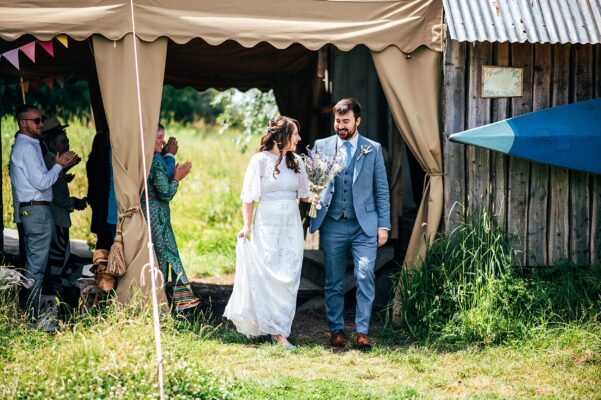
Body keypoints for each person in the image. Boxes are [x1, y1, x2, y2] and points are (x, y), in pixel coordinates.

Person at [224, 116, 313, 350]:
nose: (299, 138)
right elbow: (249, 197)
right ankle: (276, 332)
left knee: (290, 275)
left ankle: (280, 326)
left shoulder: (297, 162)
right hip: (268, 224)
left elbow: (304, 194)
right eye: (295, 134)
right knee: (270, 272)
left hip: (291, 225)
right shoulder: (260, 161)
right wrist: (247, 226)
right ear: (283, 137)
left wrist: (319, 193)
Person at [309, 98, 391, 348]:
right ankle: (336, 330)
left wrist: (383, 226)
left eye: (346, 121)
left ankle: (362, 331)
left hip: (364, 225)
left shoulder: (372, 149)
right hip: (333, 223)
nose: (341, 125)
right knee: (333, 279)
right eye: (337, 120)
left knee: (364, 274)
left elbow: (382, 190)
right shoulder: (321, 146)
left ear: (358, 121)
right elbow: (312, 182)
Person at [9, 104, 78, 329]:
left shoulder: (30, 145)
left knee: (36, 265)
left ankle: (32, 313)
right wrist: (58, 166)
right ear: (23, 123)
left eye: (41, 120)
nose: (41, 124)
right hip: (36, 210)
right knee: (36, 266)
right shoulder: (27, 148)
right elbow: (41, 182)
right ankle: (32, 317)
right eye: (37, 121)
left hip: (38, 209)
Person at [141, 125, 200, 312]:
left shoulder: (143, 158)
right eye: (159, 137)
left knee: (156, 257)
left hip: (145, 213)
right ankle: (169, 304)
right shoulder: (155, 162)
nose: (163, 142)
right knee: (164, 257)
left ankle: (160, 303)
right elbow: (165, 193)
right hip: (157, 216)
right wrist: (176, 179)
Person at [41, 118, 86, 305]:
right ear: (51, 142)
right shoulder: (51, 160)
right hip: (57, 218)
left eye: (66, 140)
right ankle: (59, 302)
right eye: (62, 141)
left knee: (57, 260)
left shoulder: (50, 159)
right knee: (58, 262)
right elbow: (57, 195)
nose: (66, 144)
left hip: (57, 218)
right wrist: (73, 203)